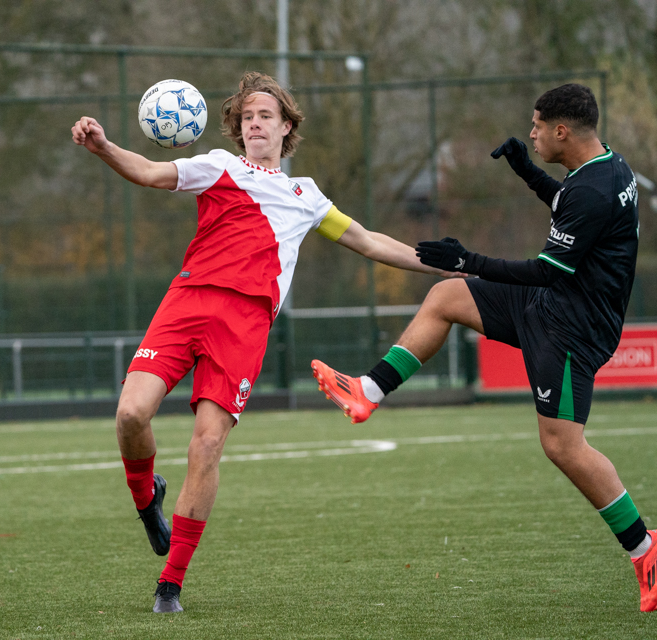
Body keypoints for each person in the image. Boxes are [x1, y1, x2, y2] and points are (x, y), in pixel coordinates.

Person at [71, 71, 456, 613]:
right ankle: (145, 499)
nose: (254, 123)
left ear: (286, 127)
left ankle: (171, 584)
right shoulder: (217, 167)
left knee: (206, 445)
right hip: (187, 304)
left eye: (265, 116)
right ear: (237, 127)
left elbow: (368, 241)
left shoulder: (307, 196)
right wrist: (103, 146)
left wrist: (446, 262)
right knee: (131, 414)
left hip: (245, 325)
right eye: (247, 116)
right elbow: (152, 172)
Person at [311, 83, 657, 613]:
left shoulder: (595, 189)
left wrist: (468, 259)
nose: (530, 131)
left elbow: (548, 267)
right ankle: (368, 390)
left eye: (536, 125)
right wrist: (528, 172)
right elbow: (568, 207)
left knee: (563, 446)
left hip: (573, 328)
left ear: (561, 131)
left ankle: (646, 548)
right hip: (549, 304)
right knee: (445, 298)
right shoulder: (608, 168)